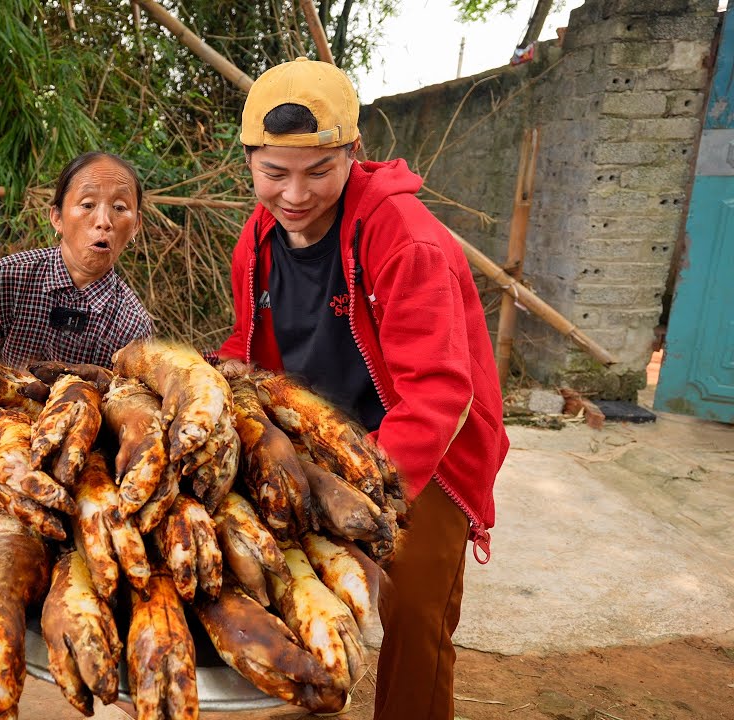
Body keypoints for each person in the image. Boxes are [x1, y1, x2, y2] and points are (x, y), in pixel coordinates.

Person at [216, 58, 509, 720]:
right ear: (251, 161)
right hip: (317, 437)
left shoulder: (407, 240)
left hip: (423, 449)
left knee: (412, 612)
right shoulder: (256, 240)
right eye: (274, 172)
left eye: (318, 170)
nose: (294, 193)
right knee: (292, 596)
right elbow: (248, 344)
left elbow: (438, 392)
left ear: (354, 152)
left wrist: (356, 492)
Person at [0, 151, 153, 368]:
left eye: (119, 207)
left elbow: (128, 398)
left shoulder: (133, 324)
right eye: (88, 204)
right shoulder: (8, 277)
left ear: (136, 225)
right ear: (57, 218)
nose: (104, 221)